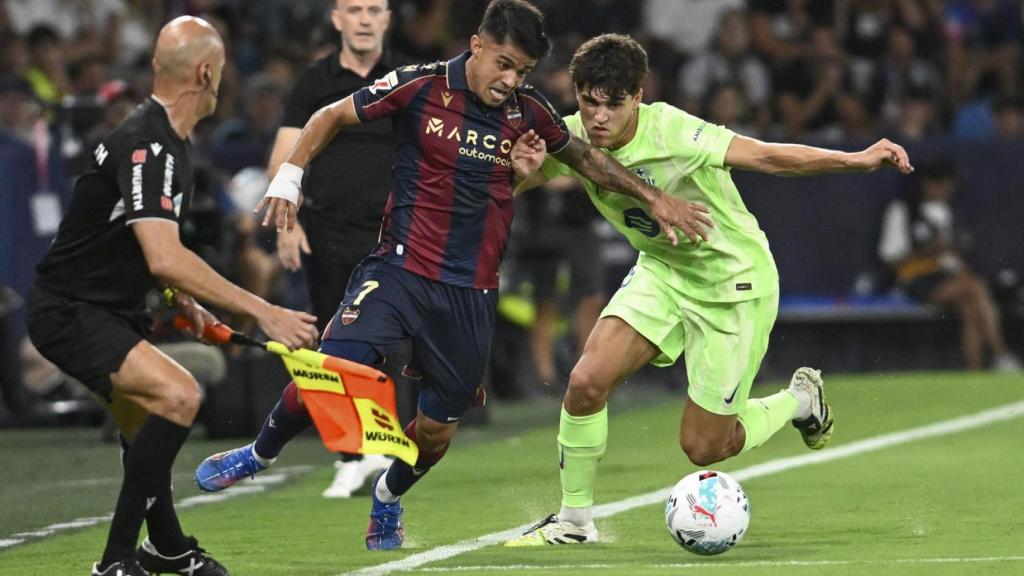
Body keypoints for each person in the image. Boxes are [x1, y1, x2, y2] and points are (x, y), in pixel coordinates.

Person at [194, 0, 710, 552]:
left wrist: (654, 197)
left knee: (438, 429)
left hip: (470, 292)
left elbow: (587, 160)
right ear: (477, 45)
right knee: (334, 368)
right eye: (504, 64)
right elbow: (330, 115)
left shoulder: (529, 112)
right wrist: (290, 176)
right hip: (399, 270)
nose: (510, 80)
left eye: (522, 71)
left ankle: (388, 495)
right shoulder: (419, 85)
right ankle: (259, 453)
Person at [503, 33, 914, 546]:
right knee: (586, 382)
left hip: (733, 283)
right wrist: (517, 174)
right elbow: (509, 185)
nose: (599, 117)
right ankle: (575, 522)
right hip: (664, 270)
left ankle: (799, 400)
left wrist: (855, 159)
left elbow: (767, 156)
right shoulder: (570, 137)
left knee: (705, 447)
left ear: (638, 97)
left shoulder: (673, 131)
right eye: (589, 103)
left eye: (613, 105)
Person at [25, 17, 320, 576]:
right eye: (222, 70)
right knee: (179, 395)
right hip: (71, 312)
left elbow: (132, 244)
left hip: (108, 310)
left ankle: (167, 547)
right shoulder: (150, 144)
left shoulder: (167, 140)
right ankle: (115, 562)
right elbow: (164, 254)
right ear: (206, 73)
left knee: (145, 423)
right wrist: (265, 311)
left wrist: (178, 297)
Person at [268, 0, 400, 500]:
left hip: (393, 235)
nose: (365, 19)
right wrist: (287, 225)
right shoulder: (313, 82)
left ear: (387, 18)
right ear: (336, 19)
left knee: (388, 343)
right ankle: (349, 456)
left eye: (374, 9)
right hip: (328, 234)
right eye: (354, 9)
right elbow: (285, 156)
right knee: (331, 349)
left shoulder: (408, 76)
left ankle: (382, 449)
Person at [878, 162, 1023, 372]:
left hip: (943, 274)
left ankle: (976, 373)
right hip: (915, 279)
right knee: (975, 287)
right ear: (927, 184)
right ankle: (1001, 354)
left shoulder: (947, 211)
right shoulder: (902, 210)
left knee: (969, 309)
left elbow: (950, 256)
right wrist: (929, 252)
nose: (948, 191)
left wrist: (953, 254)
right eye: (943, 185)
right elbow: (890, 258)